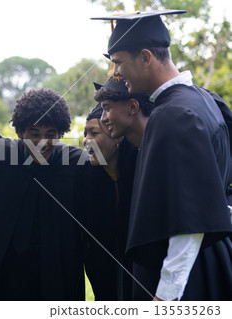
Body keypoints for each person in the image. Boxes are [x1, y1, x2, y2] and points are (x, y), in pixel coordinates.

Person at [92, 10, 232, 300]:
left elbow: (189, 220)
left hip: (188, 276)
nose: (115, 74)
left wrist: (166, 295)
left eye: (118, 63)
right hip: (210, 258)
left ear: (145, 57)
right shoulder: (204, 99)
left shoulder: (174, 115)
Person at [0, 88, 86, 300]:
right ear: (20, 133)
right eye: (34, 134)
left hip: (55, 271)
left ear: (60, 134)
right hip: (7, 272)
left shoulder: (76, 163)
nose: (42, 143)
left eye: (50, 134)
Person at [81, 76, 152, 300]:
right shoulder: (84, 177)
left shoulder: (142, 168)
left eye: (94, 133)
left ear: (116, 136)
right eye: (85, 133)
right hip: (103, 274)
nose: (86, 140)